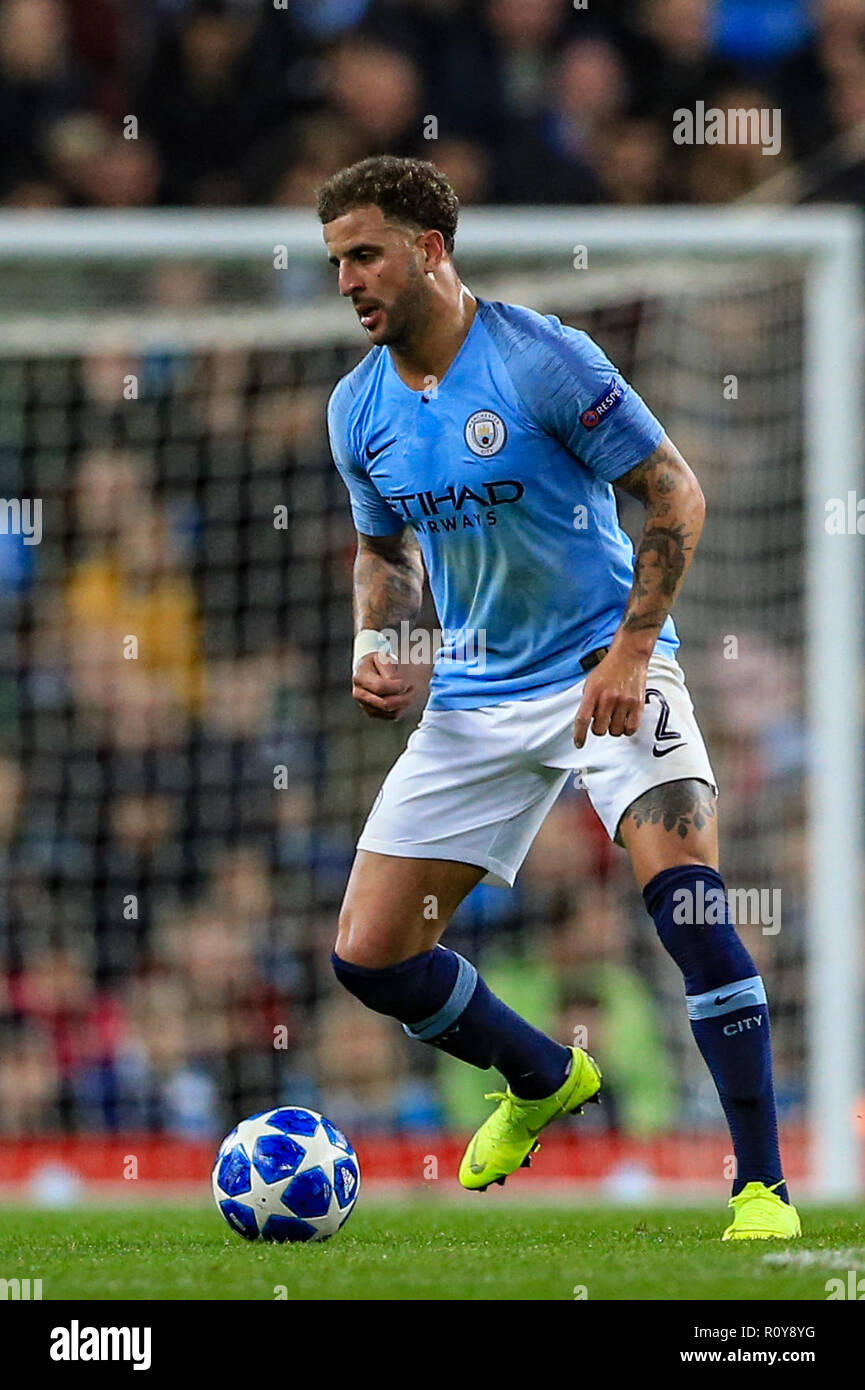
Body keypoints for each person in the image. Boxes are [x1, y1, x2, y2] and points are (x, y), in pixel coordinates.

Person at [318, 155, 799, 1241]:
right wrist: (381, 638)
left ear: (429, 249)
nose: (347, 279)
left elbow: (674, 491)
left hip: (603, 667)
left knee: (687, 897)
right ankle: (541, 1077)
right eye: (336, 260)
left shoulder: (542, 360)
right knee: (369, 956)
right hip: (476, 698)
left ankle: (761, 1186)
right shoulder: (356, 409)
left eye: (364, 254)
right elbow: (379, 548)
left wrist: (631, 652)